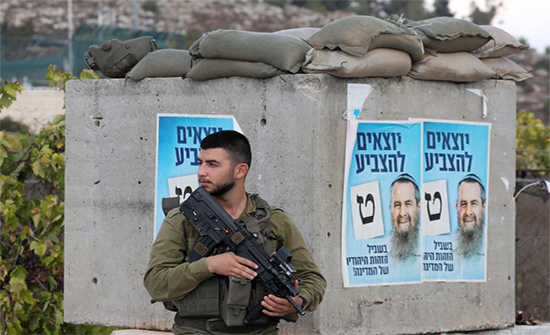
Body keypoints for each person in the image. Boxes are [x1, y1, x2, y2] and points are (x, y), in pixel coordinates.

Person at [144, 130, 326, 335]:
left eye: (212, 164)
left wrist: (298, 301)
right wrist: (210, 265)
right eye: (200, 162)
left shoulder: (273, 220)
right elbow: (156, 283)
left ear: (240, 170)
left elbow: (313, 278)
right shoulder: (182, 219)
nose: (201, 172)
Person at [388, 174, 421, 260]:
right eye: (397, 205)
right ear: (391, 209)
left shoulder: (430, 249)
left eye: (408, 204)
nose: (402, 213)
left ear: (419, 207)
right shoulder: (380, 253)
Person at [455, 174, 486, 258]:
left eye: (474, 203)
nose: (468, 212)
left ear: (484, 207)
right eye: (463, 204)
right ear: (457, 207)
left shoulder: (492, 245)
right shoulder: (448, 246)